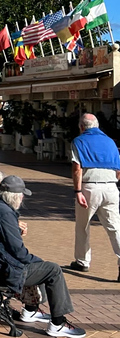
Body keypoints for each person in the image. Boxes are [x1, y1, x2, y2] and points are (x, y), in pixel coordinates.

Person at [0, 176, 85, 337]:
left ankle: (31, 310)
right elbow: (19, 252)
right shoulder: (4, 213)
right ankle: (57, 323)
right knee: (52, 269)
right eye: (22, 194)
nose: (23, 197)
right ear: (14, 196)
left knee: (42, 266)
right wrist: (38, 261)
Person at [66, 113, 120, 281]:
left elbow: (77, 168)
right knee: (115, 228)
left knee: (83, 226)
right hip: (111, 187)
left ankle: (82, 261)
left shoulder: (79, 141)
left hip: (90, 187)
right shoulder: (110, 142)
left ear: (81, 127)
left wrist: (77, 191)